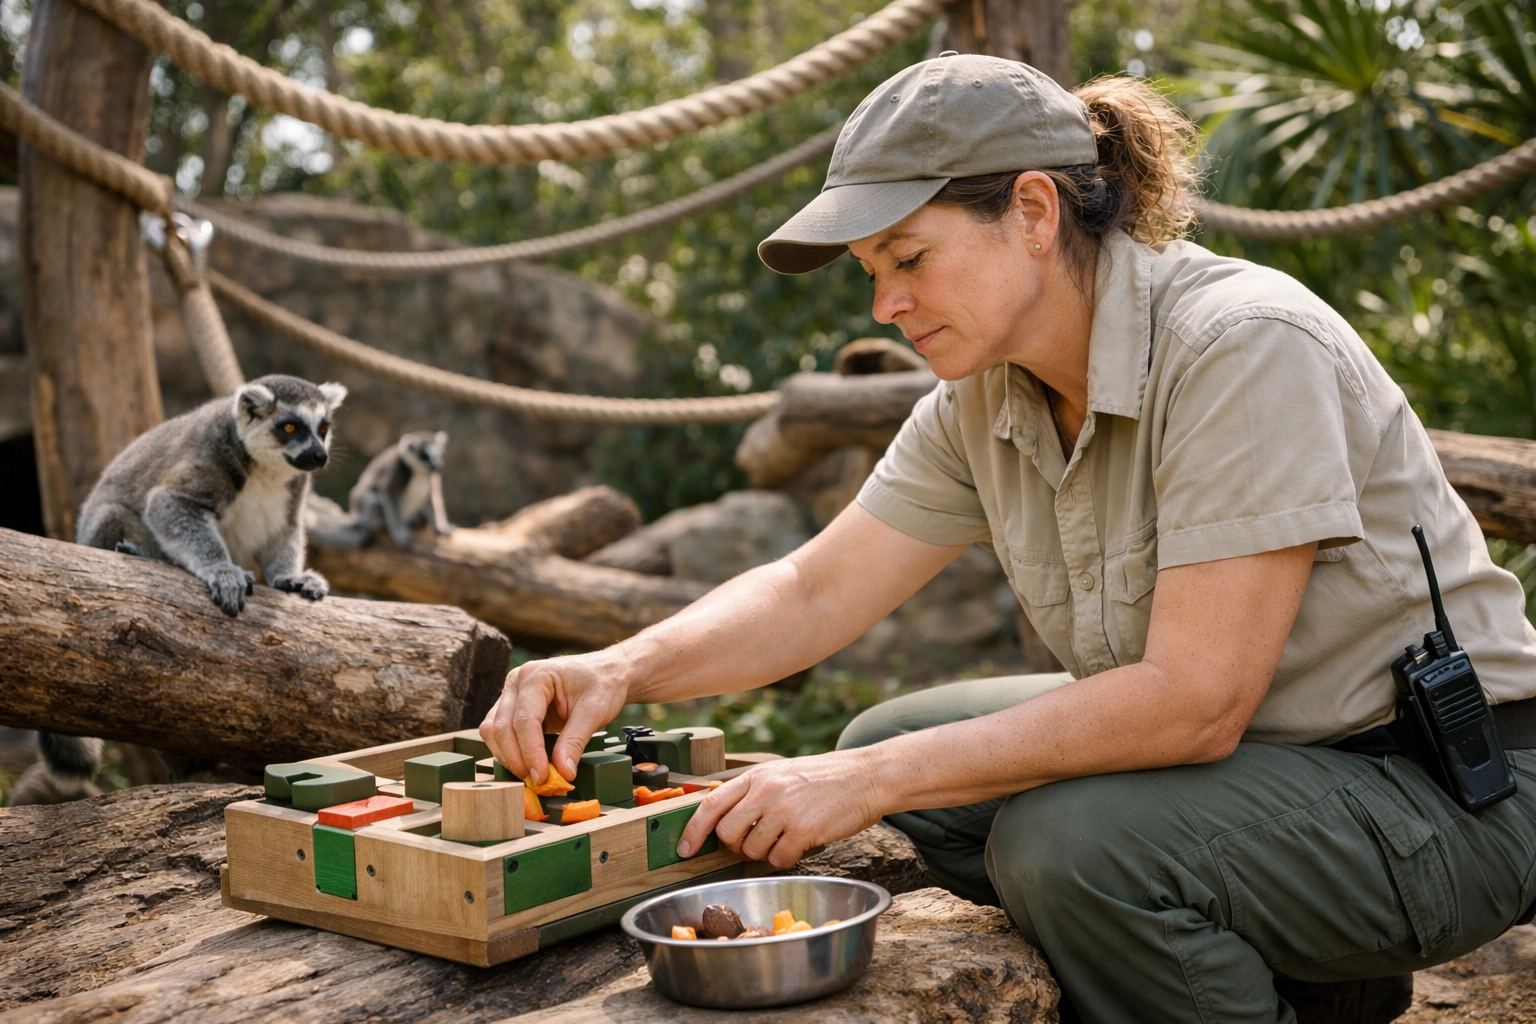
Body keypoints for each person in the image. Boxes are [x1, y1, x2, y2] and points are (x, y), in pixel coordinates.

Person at [481, 53, 1536, 1023]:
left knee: (1062, 847)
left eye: (910, 257)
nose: (888, 303)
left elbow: (1198, 699)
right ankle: (1315, 978)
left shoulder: (1243, 344)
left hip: (1446, 787)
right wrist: (618, 667)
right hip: (1276, 763)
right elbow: (814, 589)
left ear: (1033, 211)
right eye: (870, 271)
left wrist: (881, 779)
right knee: (880, 751)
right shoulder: (982, 396)